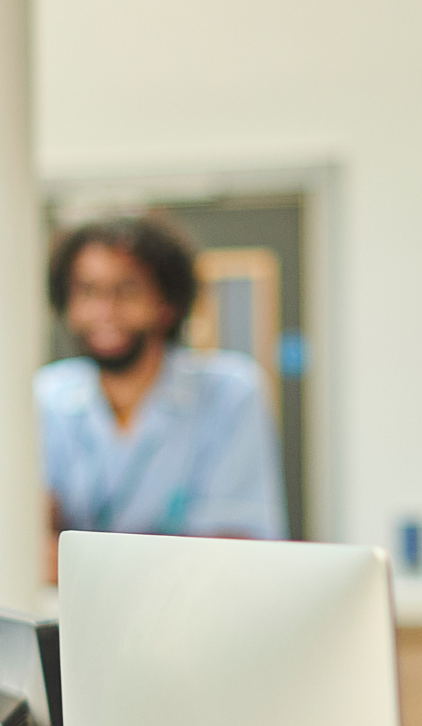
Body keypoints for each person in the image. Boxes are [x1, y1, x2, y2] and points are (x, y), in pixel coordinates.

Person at [38, 213, 286, 578]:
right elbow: (25, 542)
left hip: (199, 624)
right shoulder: (47, 397)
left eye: (127, 290)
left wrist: (79, 564)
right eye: (87, 291)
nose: (105, 311)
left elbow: (233, 552)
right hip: (76, 625)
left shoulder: (228, 394)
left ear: (167, 304)